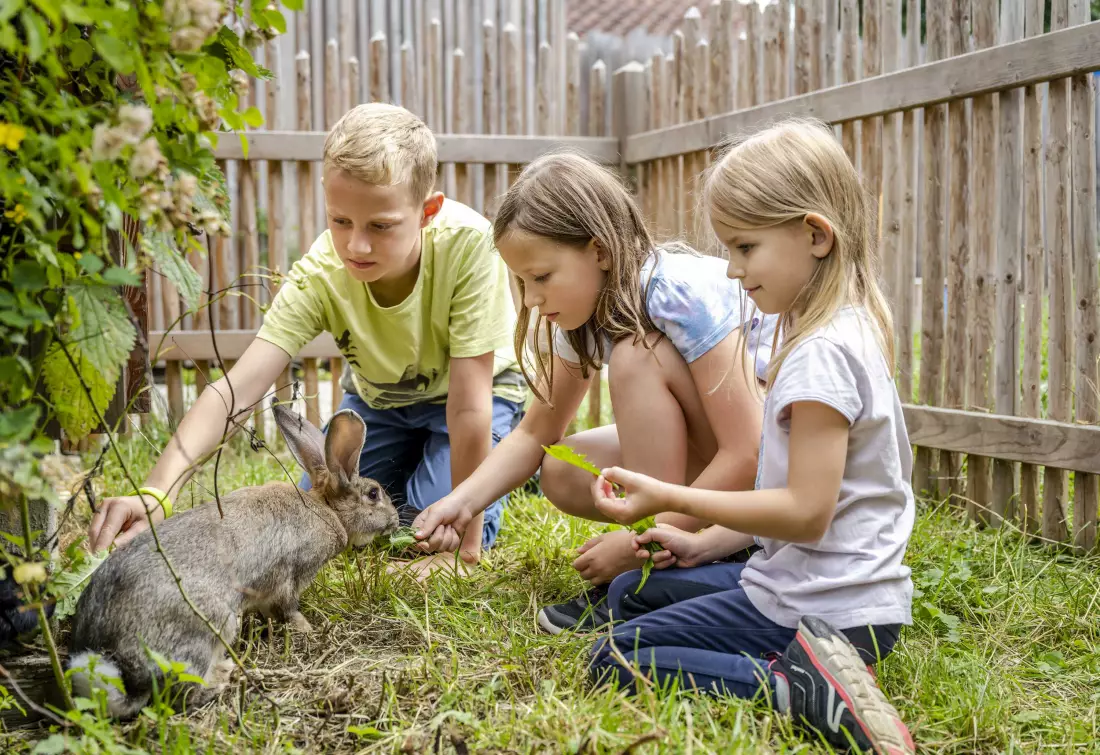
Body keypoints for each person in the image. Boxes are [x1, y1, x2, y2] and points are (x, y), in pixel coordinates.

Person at [587, 119, 916, 755]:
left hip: (827, 613)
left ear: (815, 235)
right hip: (822, 591)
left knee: (615, 657)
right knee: (633, 590)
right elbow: (794, 497)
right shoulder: (837, 328)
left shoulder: (821, 355)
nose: (733, 270)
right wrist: (703, 544)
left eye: (745, 247)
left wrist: (663, 493)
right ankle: (809, 666)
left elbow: (806, 512)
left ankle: (796, 688)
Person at [88, 103, 527, 570]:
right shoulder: (322, 270)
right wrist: (159, 491)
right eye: (340, 221)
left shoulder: (469, 246)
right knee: (324, 510)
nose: (356, 245)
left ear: (427, 212)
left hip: (473, 398)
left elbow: (468, 407)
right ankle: (422, 457)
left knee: (422, 523)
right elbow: (238, 387)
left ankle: (510, 464)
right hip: (379, 403)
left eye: (380, 226)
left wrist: (465, 545)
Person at [411, 151, 777, 632]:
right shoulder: (581, 312)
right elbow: (532, 434)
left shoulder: (674, 292)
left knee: (635, 357)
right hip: (729, 465)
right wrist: (461, 502)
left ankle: (657, 559)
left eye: (541, 277)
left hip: (773, 474)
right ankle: (690, 545)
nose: (532, 299)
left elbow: (748, 449)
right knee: (561, 467)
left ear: (599, 251)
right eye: (522, 282)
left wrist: (637, 545)